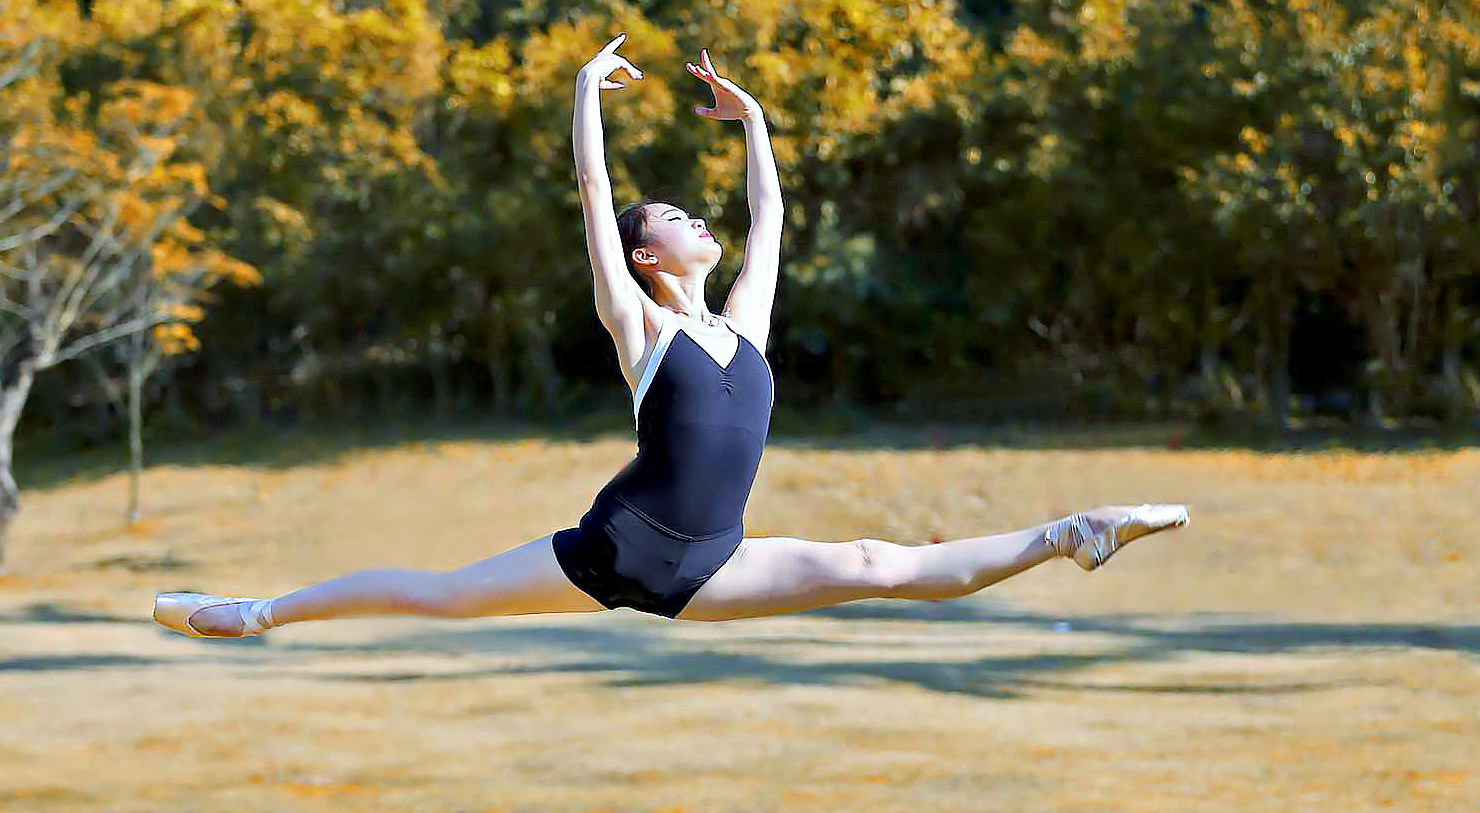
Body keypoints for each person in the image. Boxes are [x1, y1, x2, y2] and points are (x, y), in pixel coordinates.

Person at [153, 37, 1188, 639]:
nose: (701, 225)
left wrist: (757, 129)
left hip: (712, 567)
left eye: (700, 218)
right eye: (678, 224)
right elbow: (595, 194)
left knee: (880, 559)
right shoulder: (640, 325)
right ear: (649, 258)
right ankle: (257, 614)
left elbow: (773, 222)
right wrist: (581, 100)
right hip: (618, 549)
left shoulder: (743, 330)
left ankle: (1072, 533)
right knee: (440, 596)